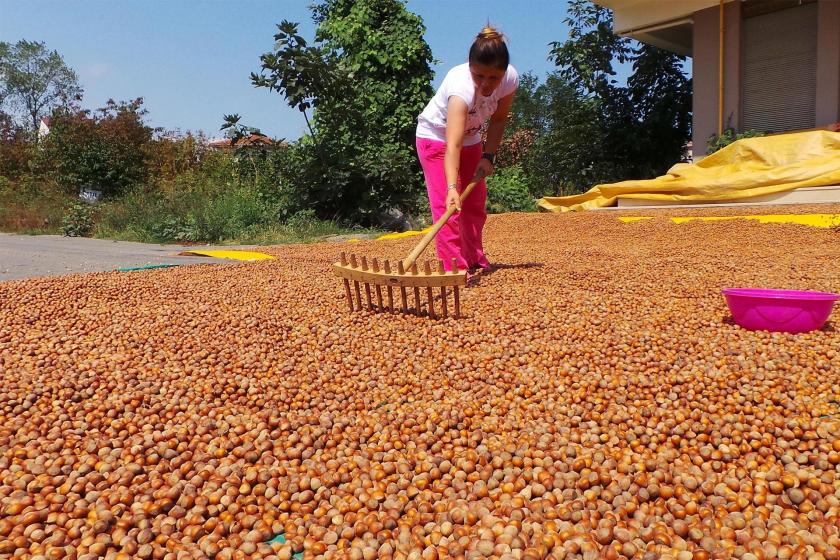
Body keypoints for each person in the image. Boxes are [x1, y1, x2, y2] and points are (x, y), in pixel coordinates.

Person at [416, 25, 519, 276]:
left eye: (493, 78)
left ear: (503, 73)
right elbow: (453, 143)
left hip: (472, 139)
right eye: (478, 76)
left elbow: (498, 120)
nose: (485, 84)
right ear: (470, 67)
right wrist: (452, 188)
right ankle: (454, 269)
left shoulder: (510, 80)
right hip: (436, 139)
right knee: (448, 206)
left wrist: (488, 156)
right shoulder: (460, 86)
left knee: (474, 203)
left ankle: (473, 258)